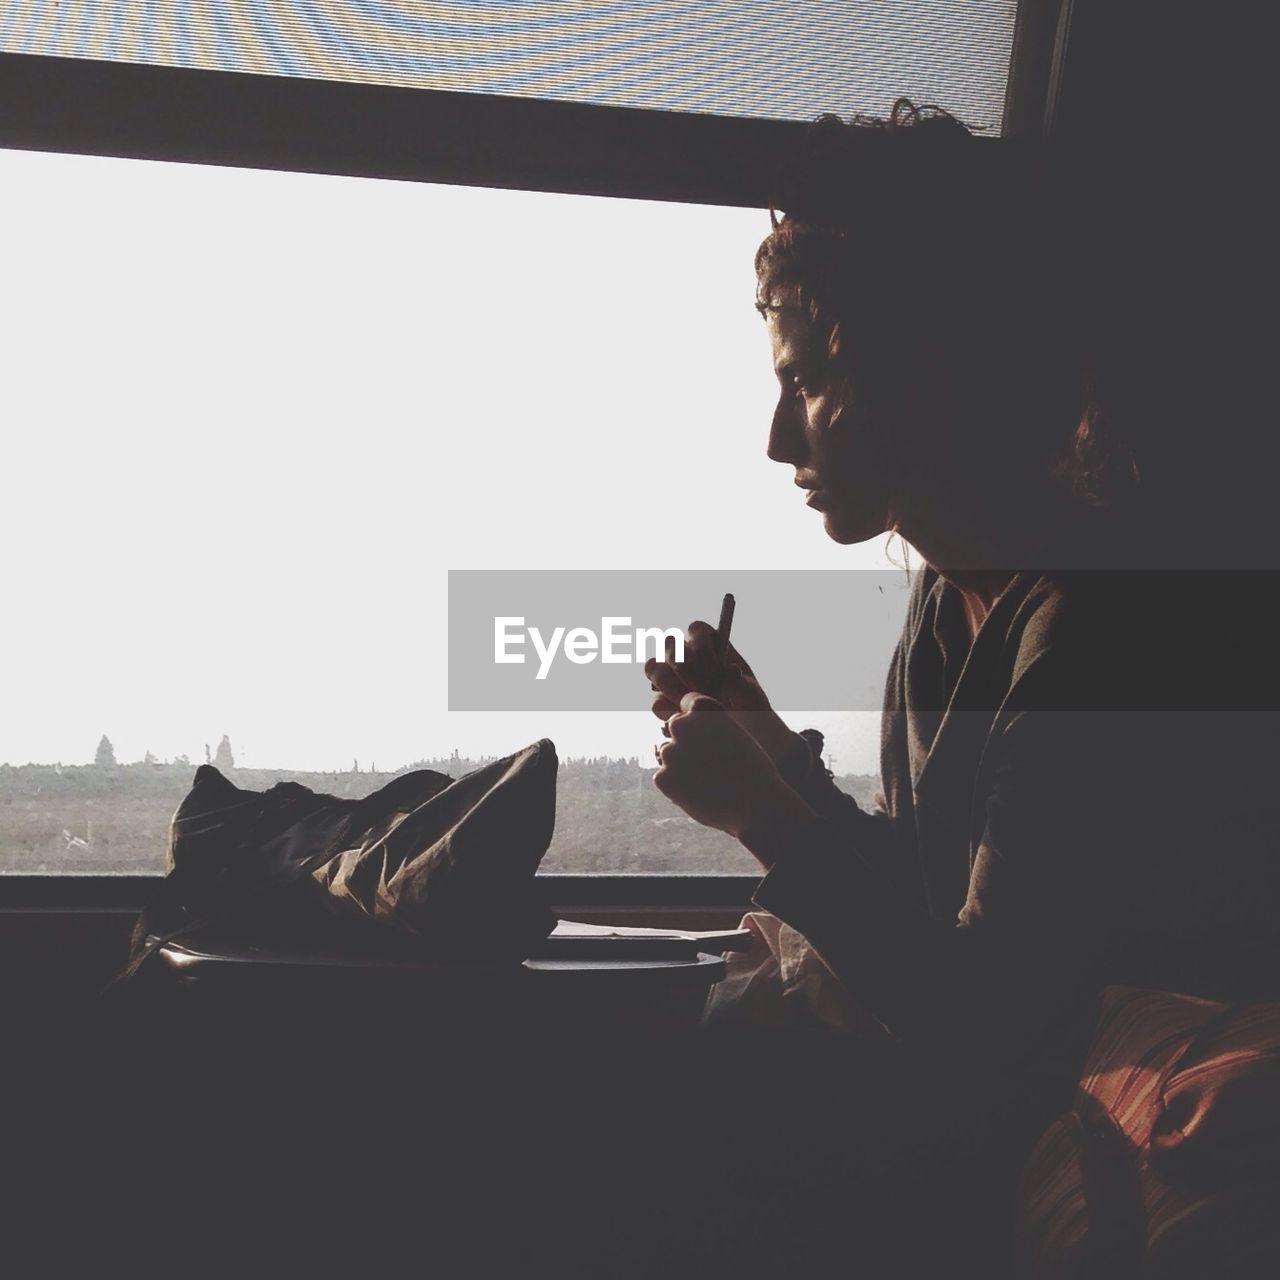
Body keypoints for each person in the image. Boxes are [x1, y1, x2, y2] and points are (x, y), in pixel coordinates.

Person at [642, 99, 1280, 1271]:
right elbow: (948, 900)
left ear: (912, 367)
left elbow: (997, 1017)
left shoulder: (1088, 638)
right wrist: (773, 754)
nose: (778, 439)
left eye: (808, 382)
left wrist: (766, 812)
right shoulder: (948, 611)